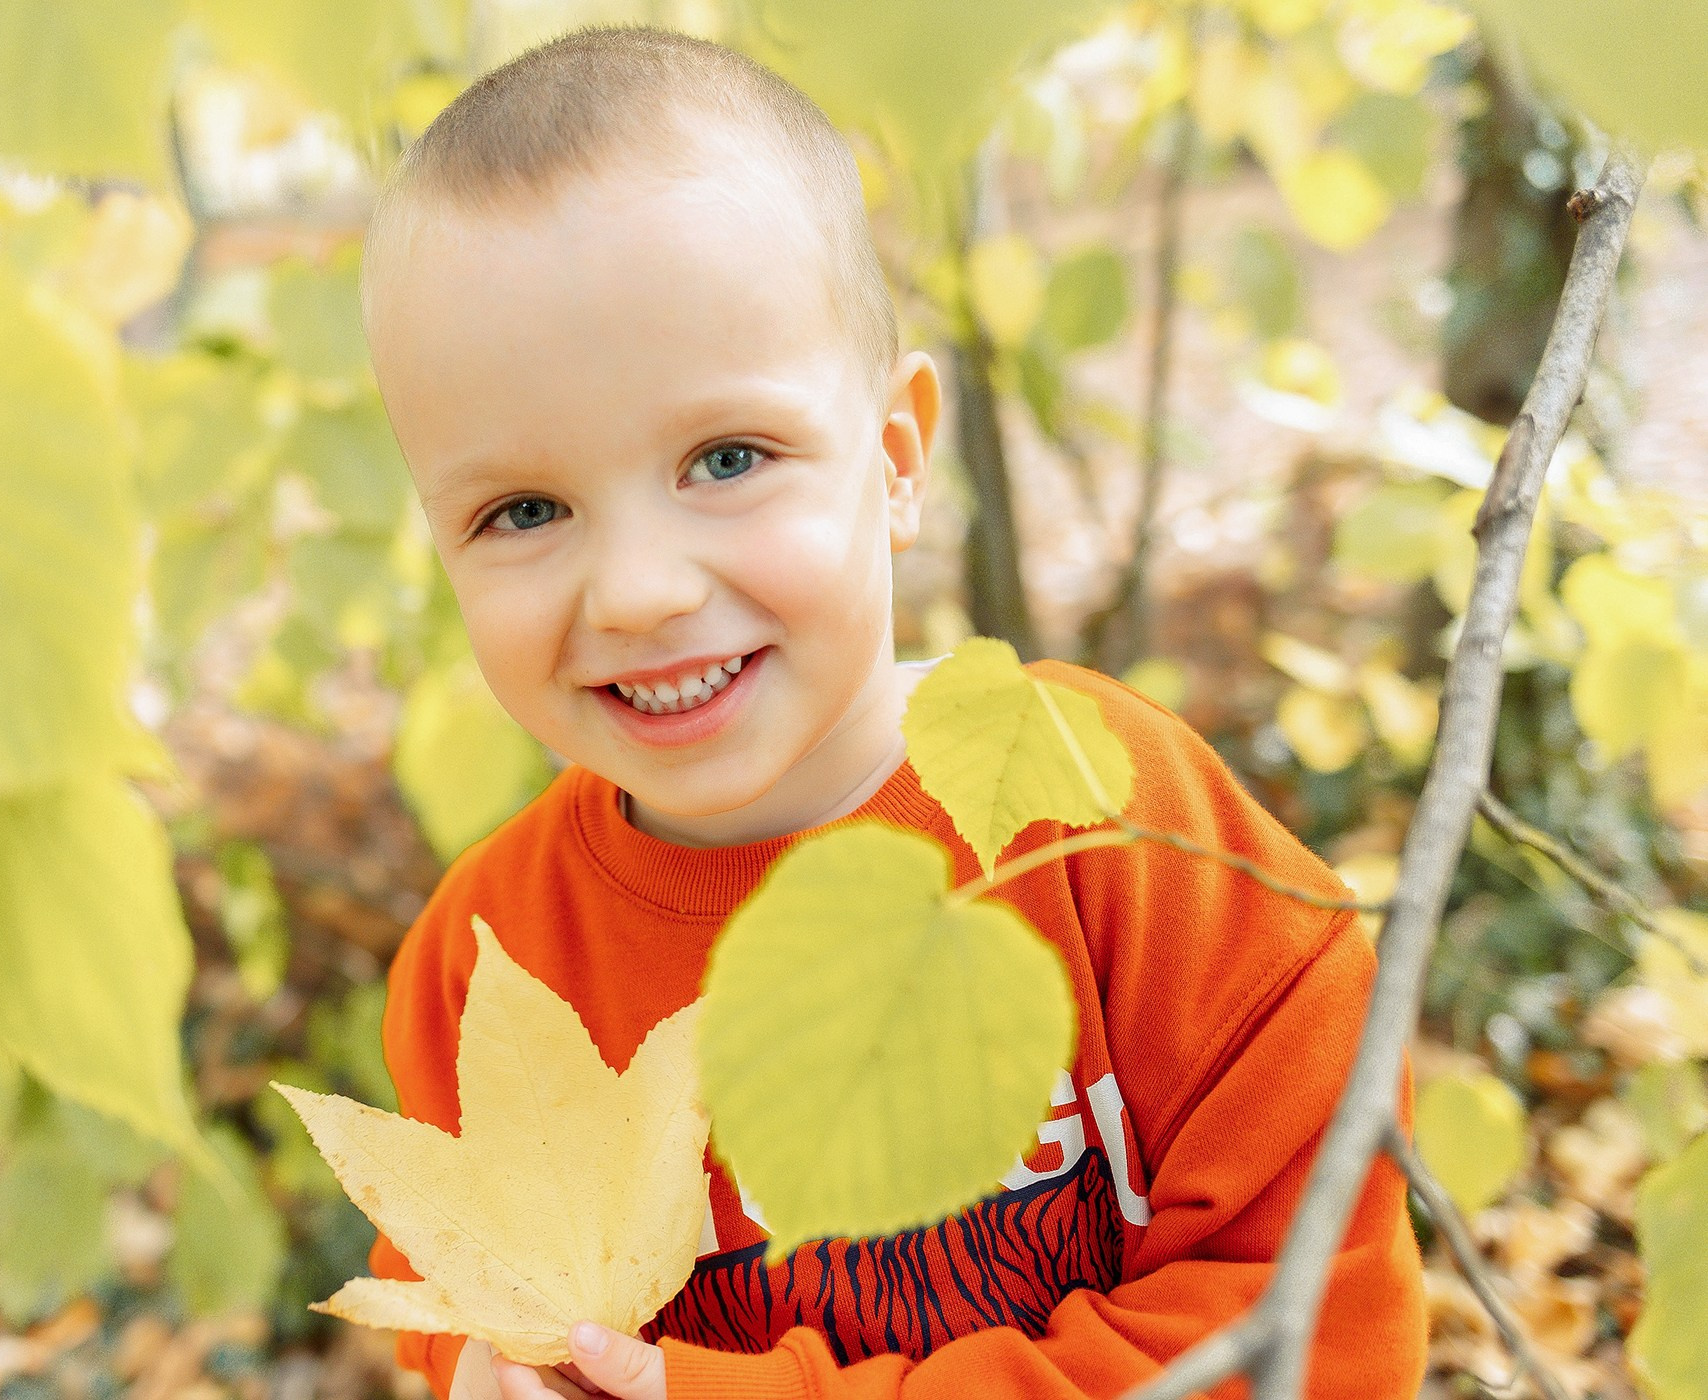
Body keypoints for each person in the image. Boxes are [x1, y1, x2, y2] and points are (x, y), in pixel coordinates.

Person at [353, 23, 1425, 1400]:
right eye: (523, 510)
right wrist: (475, 1374)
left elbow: (1312, 1309)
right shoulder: (489, 974)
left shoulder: (1100, 811)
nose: (635, 590)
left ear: (899, 457)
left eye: (725, 458)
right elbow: (460, 1303)